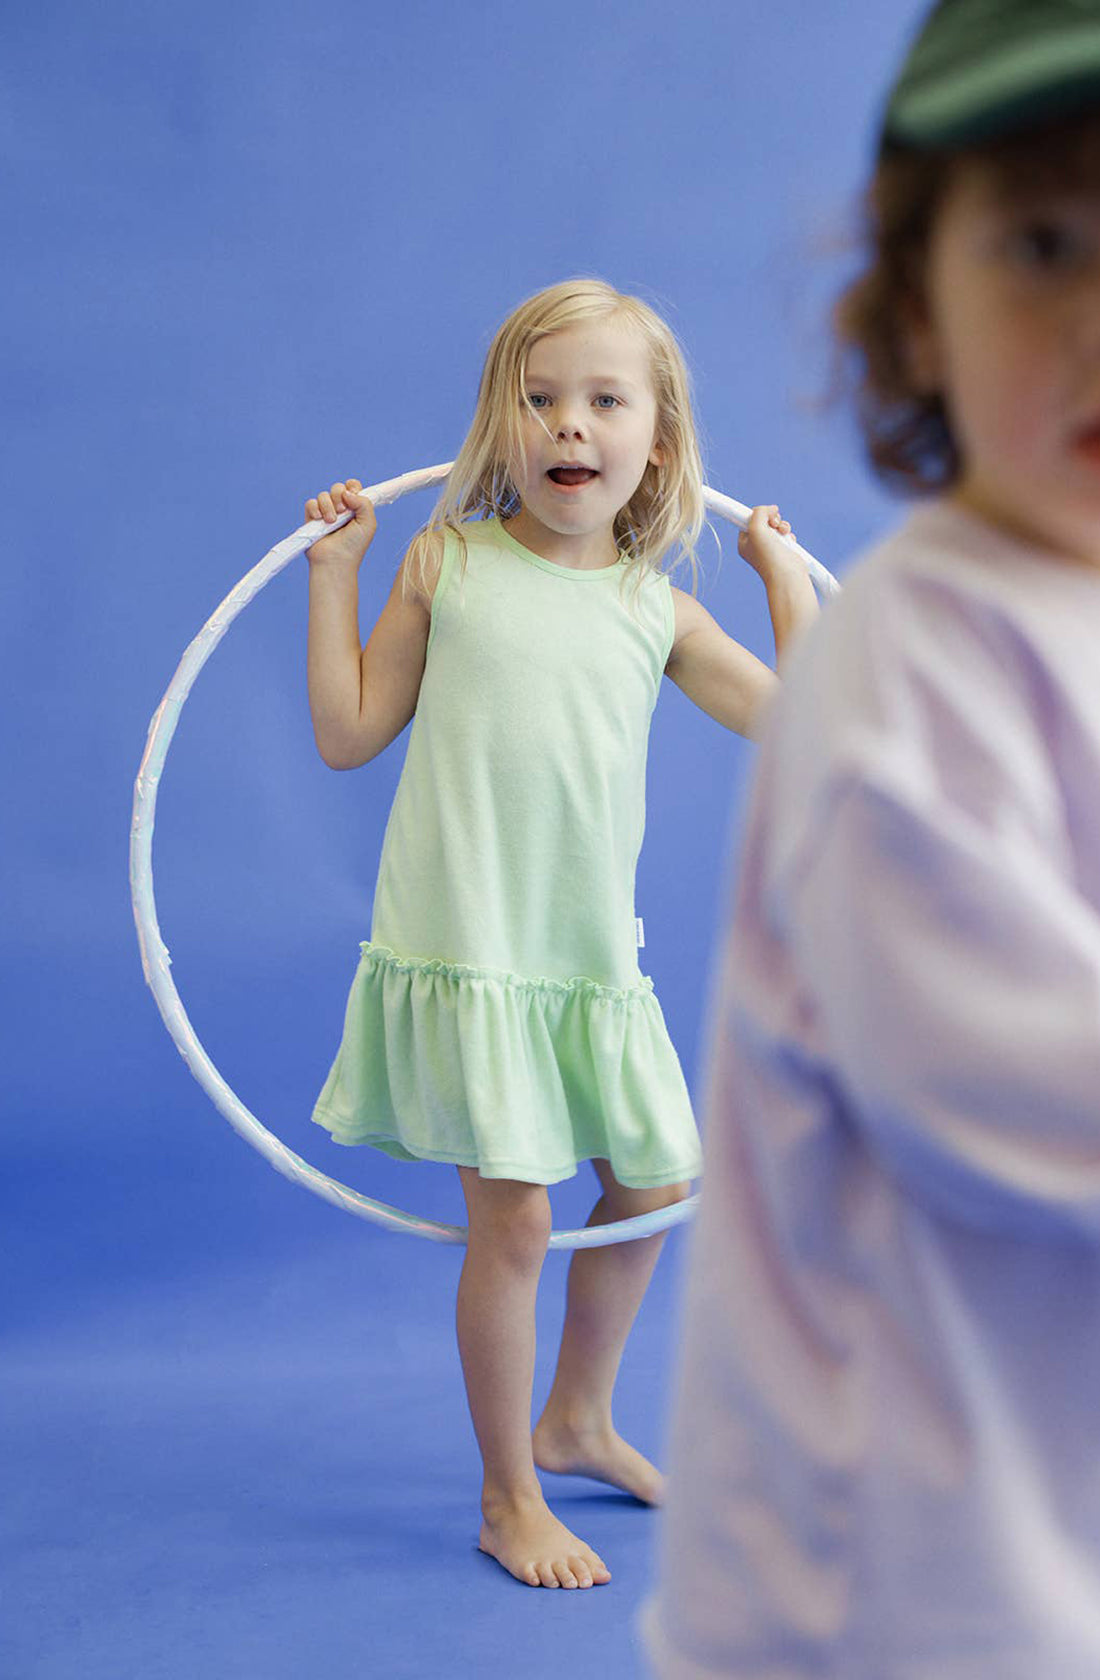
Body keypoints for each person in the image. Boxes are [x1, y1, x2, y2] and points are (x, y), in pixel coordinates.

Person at [643, 1, 1100, 1673]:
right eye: (1045, 244)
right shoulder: (909, 674)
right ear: (914, 320)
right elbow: (1013, 1091)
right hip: (897, 1582)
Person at [303, 277, 819, 1591]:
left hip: (589, 966)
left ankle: (578, 1416)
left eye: (603, 400)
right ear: (499, 425)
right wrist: (340, 571)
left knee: (655, 1185)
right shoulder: (450, 561)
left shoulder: (657, 609)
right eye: (538, 401)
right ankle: (505, 1494)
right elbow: (350, 730)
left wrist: (784, 585)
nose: (568, 426)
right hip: (476, 954)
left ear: (659, 440)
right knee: (519, 1224)